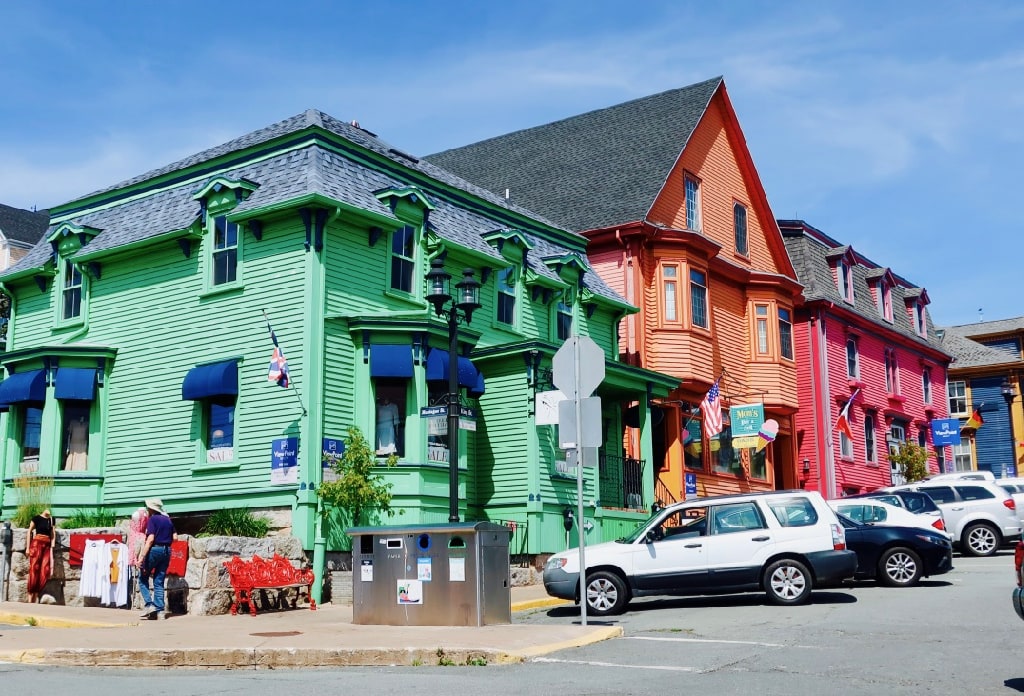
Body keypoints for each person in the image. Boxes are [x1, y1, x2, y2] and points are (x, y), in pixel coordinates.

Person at [137, 498, 177, 619]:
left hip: (155, 549)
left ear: (151, 509)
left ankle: (149, 605)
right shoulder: (168, 520)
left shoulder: (153, 519)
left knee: (143, 578)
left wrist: (141, 557)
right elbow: (175, 538)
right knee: (159, 581)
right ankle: (160, 612)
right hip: (167, 550)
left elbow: (150, 540)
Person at [26, 509, 55, 603]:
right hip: (36, 544)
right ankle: (31, 597)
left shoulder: (51, 519)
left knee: (45, 569)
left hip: (46, 546)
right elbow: (29, 531)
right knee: (34, 569)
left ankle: (36, 594)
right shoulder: (37, 518)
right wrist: (27, 548)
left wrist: (52, 547)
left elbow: (53, 534)